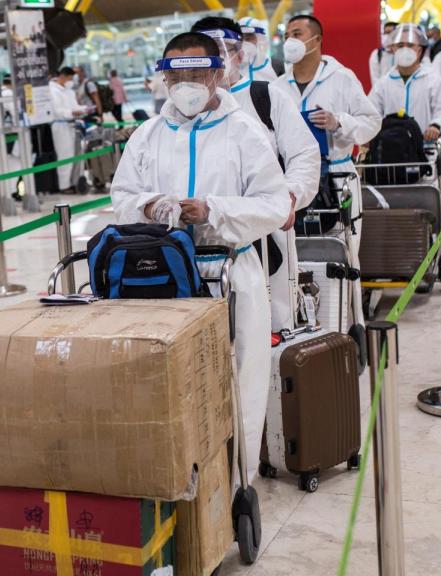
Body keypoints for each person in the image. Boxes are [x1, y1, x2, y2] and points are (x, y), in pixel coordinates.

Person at [111, 32, 290, 486]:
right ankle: (170, 483)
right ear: (164, 78)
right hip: (163, 274)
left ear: (216, 73)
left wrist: (214, 209)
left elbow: (274, 204)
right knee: (169, 384)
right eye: (175, 73)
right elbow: (123, 196)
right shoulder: (148, 135)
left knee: (240, 382)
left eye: (196, 72)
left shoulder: (244, 132)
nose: (185, 82)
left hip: (231, 269)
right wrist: (152, 206)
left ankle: (236, 488)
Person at [192, 16, 321, 332]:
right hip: (199, 240)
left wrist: (290, 195)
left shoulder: (266, 97)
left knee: (270, 326)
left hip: (265, 236)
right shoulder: (182, 109)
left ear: (238, 55)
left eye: (223, 52)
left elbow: (304, 154)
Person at [274, 14, 381, 328]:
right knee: (297, 254)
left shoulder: (341, 78)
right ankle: (304, 324)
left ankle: (350, 324)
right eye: (287, 34)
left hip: (338, 179)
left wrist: (340, 123)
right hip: (294, 183)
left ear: (316, 39)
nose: (290, 39)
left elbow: (372, 122)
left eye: (298, 33)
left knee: (344, 251)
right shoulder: (278, 87)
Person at [370, 24, 441, 142]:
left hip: (426, 151)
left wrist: (436, 125)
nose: (405, 49)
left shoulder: (432, 80)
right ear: (393, 49)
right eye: (400, 45)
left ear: (419, 50)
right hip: (390, 152)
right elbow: (371, 113)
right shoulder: (383, 84)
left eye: (410, 45)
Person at [50, 66, 89, 192]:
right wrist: (72, 112)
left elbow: (74, 106)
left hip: (72, 124)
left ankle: (72, 181)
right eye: (70, 78)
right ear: (62, 76)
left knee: (73, 154)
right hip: (60, 125)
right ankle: (64, 186)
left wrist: (84, 109)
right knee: (64, 155)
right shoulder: (52, 90)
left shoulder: (68, 91)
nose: (71, 81)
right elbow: (56, 111)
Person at [238, 17, 278, 82]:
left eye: (248, 39)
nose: (243, 43)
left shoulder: (275, 66)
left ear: (260, 39)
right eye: (240, 39)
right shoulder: (230, 69)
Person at [369, 21, 398, 86]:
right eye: (386, 33)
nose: (388, 36)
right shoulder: (376, 54)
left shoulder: (402, 54)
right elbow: (375, 80)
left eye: (391, 33)